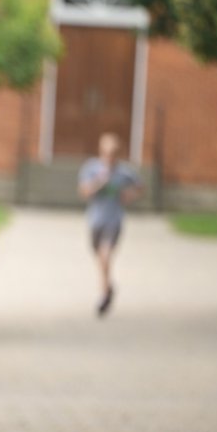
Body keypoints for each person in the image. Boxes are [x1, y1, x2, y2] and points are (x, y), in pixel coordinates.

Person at [77, 131, 142, 317]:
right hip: (95, 220)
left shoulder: (124, 173)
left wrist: (130, 195)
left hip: (114, 220)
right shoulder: (91, 169)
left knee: (105, 257)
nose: (110, 157)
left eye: (114, 153)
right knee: (99, 258)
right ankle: (108, 286)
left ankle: (104, 295)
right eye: (107, 152)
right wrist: (99, 182)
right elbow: (83, 191)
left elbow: (139, 187)